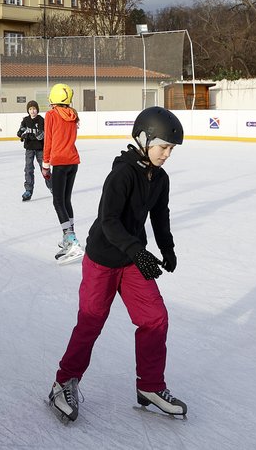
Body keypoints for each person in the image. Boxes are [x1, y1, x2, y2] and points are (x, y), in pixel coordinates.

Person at [49, 107, 188, 424]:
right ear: (144, 139)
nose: (167, 154)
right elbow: (109, 222)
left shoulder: (159, 178)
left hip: (132, 259)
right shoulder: (122, 175)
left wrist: (167, 249)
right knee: (91, 322)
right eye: (163, 146)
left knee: (155, 318)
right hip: (103, 259)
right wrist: (138, 251)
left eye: (171, 149)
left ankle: (151, 387)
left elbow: (160, 216)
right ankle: (63, 383)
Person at [43, 84, 81, 264]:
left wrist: (45, 164)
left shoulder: (51, 115)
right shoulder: (73, 114)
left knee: (57, 201)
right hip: (73, 161)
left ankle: (72, 240)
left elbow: (48, 140)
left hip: (59, 162)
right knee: (66, 200)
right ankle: (68, 238)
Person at [17, 100, 52, 201]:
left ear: (37, 110)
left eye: (34, 109)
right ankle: (28, 190)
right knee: (28, 169)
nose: (32, 111)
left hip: (40, 149)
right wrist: (24, 133)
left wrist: (28, 133)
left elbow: (40, 136)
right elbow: (20, 132)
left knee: (45, 169)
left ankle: (52, 187)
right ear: (28, 110)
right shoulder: (25, 120)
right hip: (29, 148)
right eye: (30, 109)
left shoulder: (41, 120)